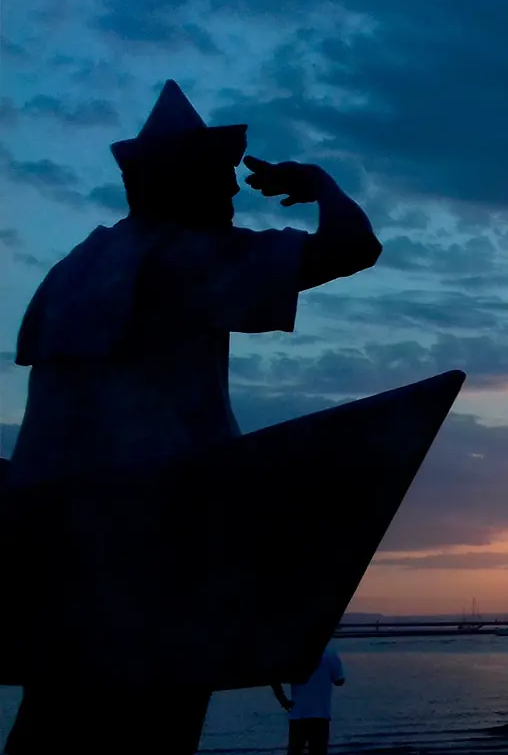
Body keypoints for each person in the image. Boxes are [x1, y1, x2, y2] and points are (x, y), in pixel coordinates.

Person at [3, 79, 381, 754]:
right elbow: (354, 246)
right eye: (223, 178)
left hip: (55, 556)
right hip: (155, 554)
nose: (234, 194)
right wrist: (322, 183)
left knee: (54, 724)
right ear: (186, 183)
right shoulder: (183, 258)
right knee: (149, 731)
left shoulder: (73, 269)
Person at [272, 644, 346, 755]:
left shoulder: (295, 654)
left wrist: (282, 699)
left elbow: (274, 675)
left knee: (294, 750)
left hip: (298, 714)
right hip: (321, 714)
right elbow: (339, 680)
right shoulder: (329, 654)